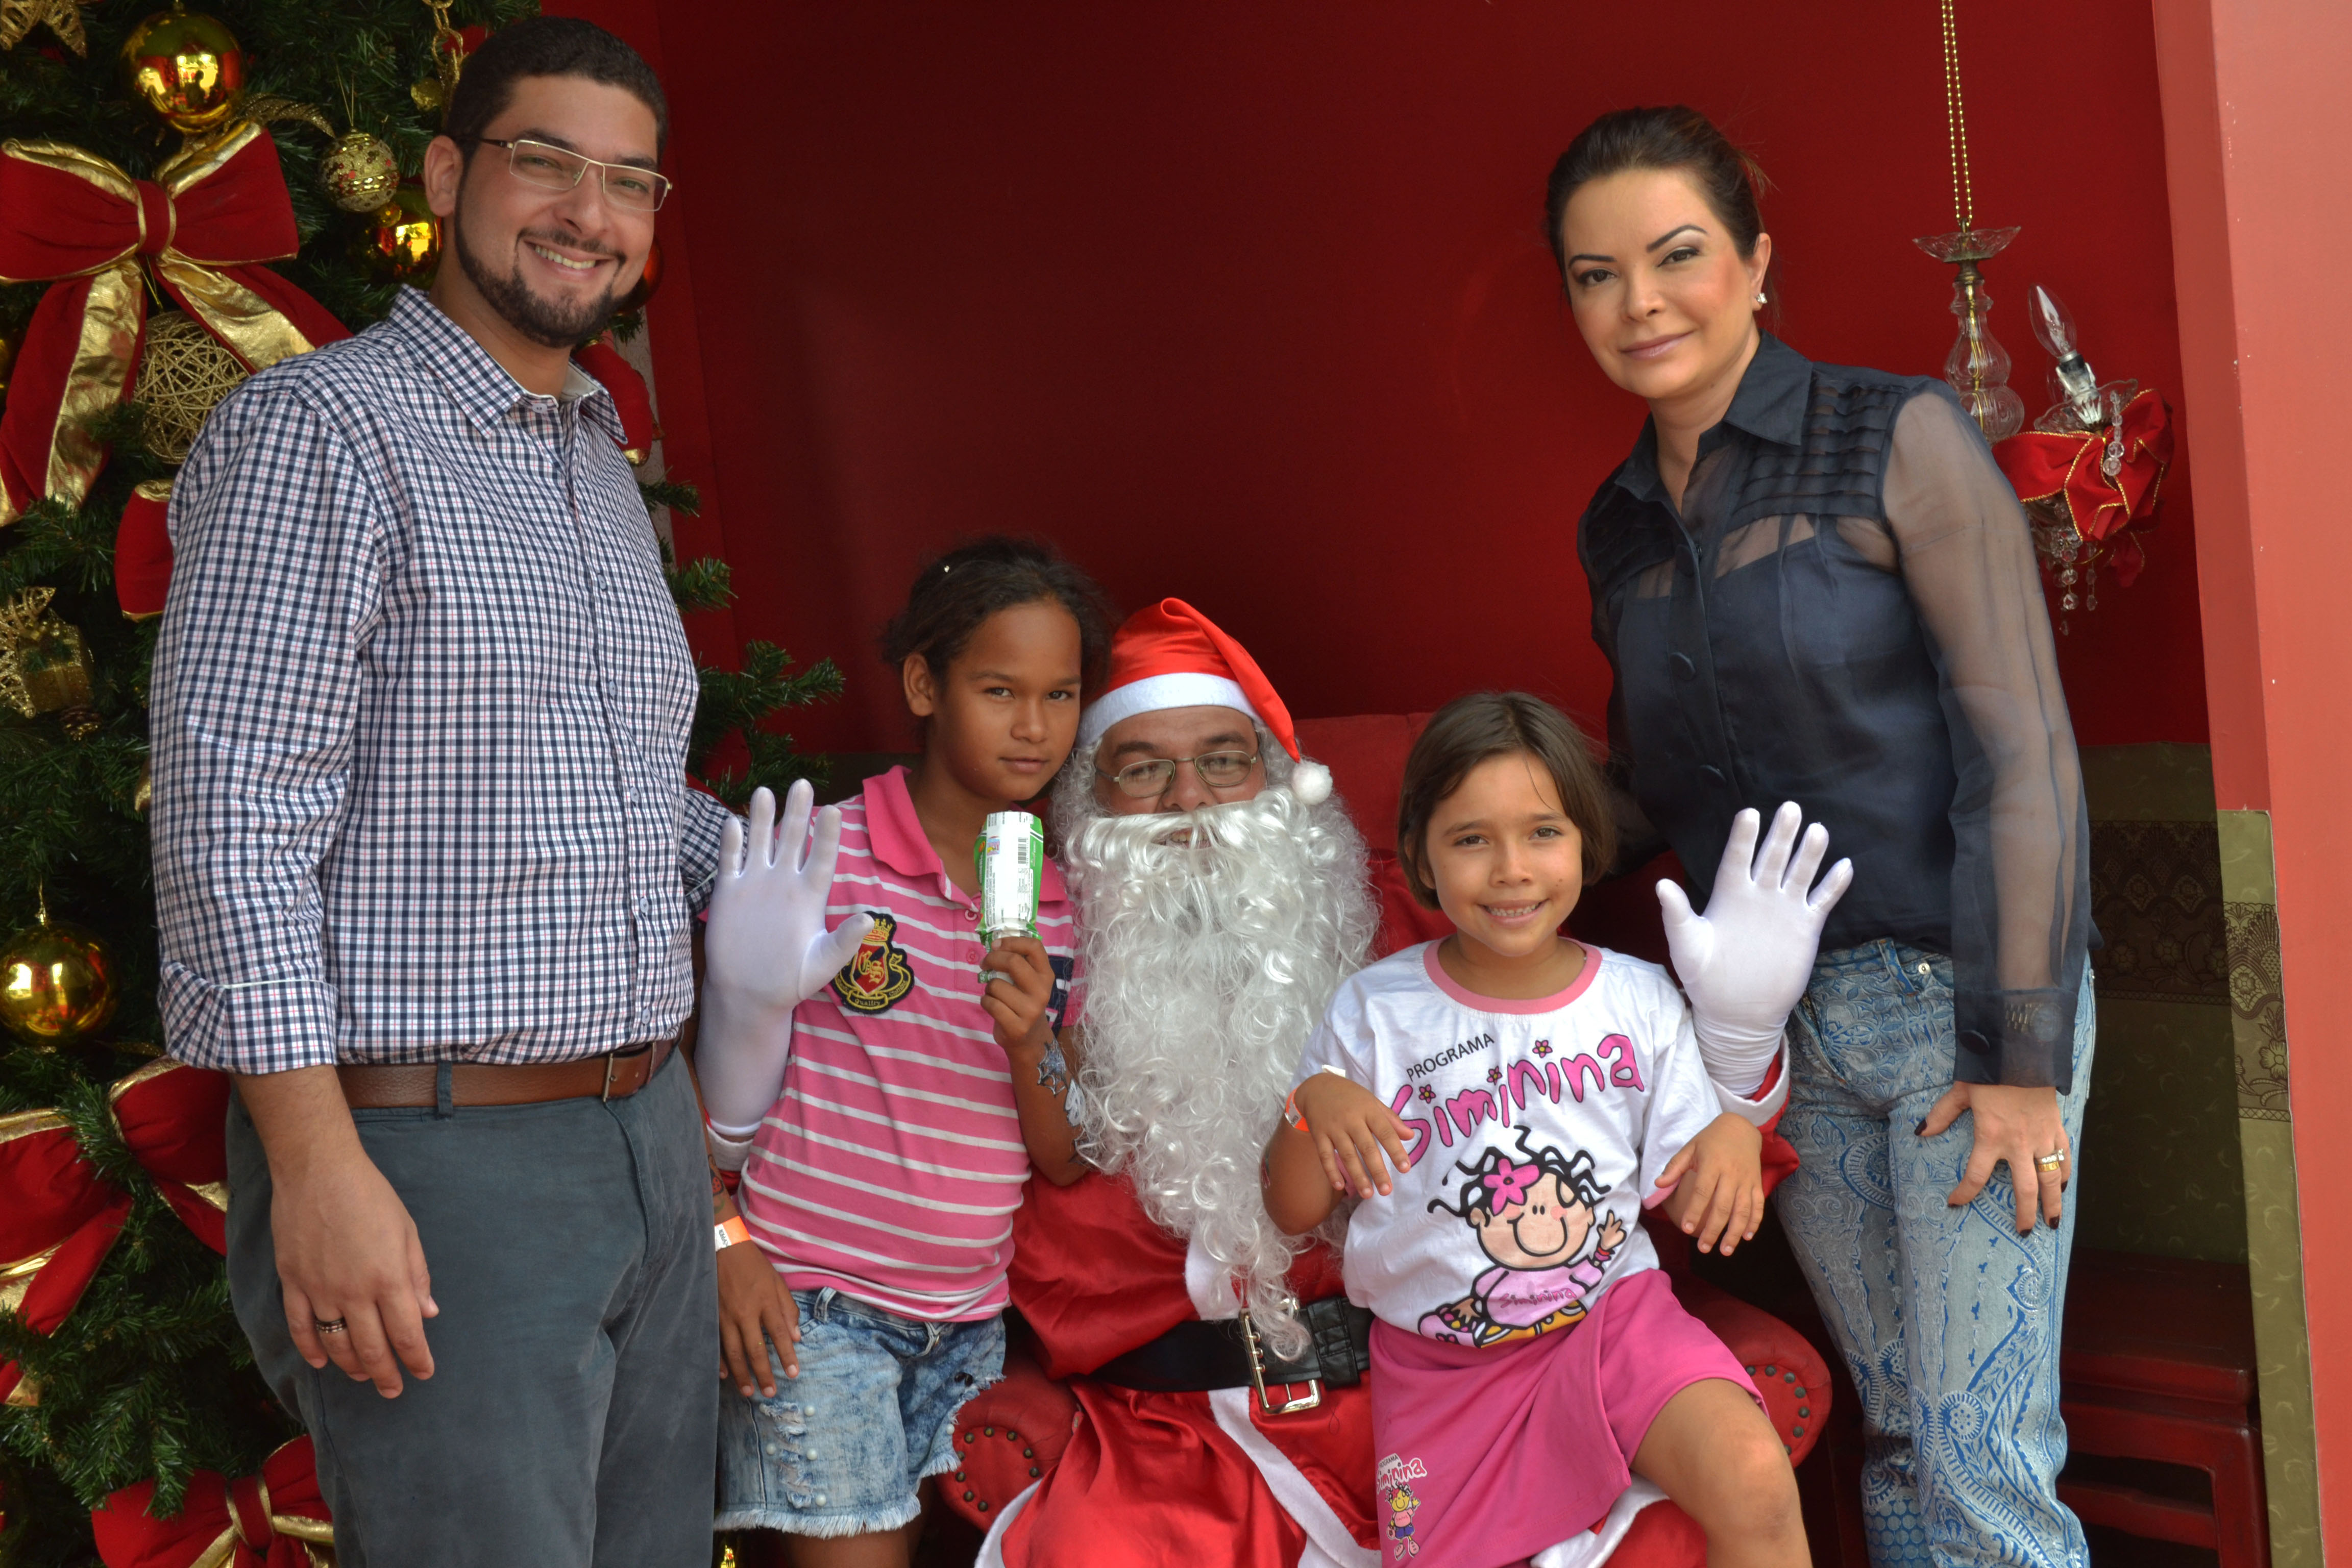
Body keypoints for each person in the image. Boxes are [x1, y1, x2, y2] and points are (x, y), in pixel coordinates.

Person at [149, 17, 720, 1565]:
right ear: (449, 173)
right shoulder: (317, 436)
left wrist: (841, 876)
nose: (590, 213)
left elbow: (615, 791)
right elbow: (231, 824)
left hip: (648, 1137)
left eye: (631, 182)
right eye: (547, 162)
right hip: (437, 1152)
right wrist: (318, 1165)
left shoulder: (595, 456)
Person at [1551, 106, 2096, 1565]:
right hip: (1775, 1037)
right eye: (1597, 275)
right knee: (1903, 1436)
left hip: (1955, 1001)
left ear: (1755, 262)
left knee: (1983, 1454)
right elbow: (1655, 785)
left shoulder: (1894, 436)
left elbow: (2022, 748)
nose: (1640, 301)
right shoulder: (1617, 525)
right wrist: (1489, 834)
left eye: (1677, 256)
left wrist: (2020, 1058)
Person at [1263, 693, 1841, 1568]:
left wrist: (1734, 1127)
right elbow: (1291, 1209)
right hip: (1442, 1371)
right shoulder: (1372, 1011)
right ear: (1420, 853)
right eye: (1471, 839)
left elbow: (1697, 1201)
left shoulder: (1638, 999)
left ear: (1585, 842)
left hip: (1615, 1325)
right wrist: (1314, 1103)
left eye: (1543, 833)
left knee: (1754, 1480)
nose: (1512, 870)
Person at [695, 537, 1114, 1565]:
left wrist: (1031, 1041)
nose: (1034, 726)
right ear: (925, 686)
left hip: (970, 1322)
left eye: (1061, 695)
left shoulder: (1068, 905)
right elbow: (683, 1070)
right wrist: (725, 1244)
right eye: (999, 690)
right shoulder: (820, 859)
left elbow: (1063, 1155)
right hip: (812, 1307)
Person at [978, 597, 1385, 1567]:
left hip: (1398, 1406)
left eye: (1223, 761)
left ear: (1274, 777)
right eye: (1144, 769)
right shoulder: (1061, 967)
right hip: (1164, 1439)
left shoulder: (1390, 942)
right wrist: (1032, 1042)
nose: (1192, 801)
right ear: (1091, 801)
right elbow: (1062, 1163)